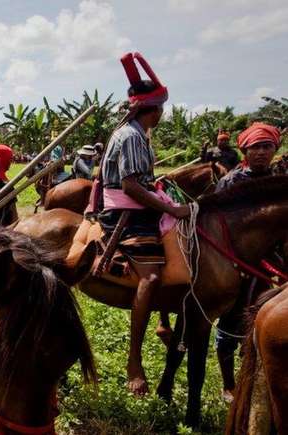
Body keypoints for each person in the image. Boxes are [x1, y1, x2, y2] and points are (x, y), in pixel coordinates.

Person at [96, 52, 190, 396]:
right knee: (150, 277)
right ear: (156, 110)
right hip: (126, 215)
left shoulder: (135, 132)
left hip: (138, 206)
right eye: (162, 110)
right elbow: (131, 186)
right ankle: (134, 361)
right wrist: (175, 211)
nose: (163, 115)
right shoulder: (133, 136)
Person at [213, 122, 281, 402]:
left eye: (267, 147)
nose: (262, 153)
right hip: (238, 262)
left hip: (274, 264)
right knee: (232, 322)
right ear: (245, 151)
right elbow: (216, 224)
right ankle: (229, 384)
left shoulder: (280, 181)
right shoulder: (231, 183)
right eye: (256, 148)